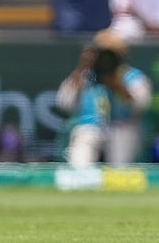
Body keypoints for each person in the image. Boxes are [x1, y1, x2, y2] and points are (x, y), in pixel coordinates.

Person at [56, 30, 153, 166]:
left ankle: (119, 177)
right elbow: (64, 102)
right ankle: (80, 178)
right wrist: (82, 68)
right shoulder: (85, 76)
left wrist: (116, 85)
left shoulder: (132, 77)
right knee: (84, 141)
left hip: (121, 126)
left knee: (122, 141)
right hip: (90, 125)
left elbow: (142, 104)